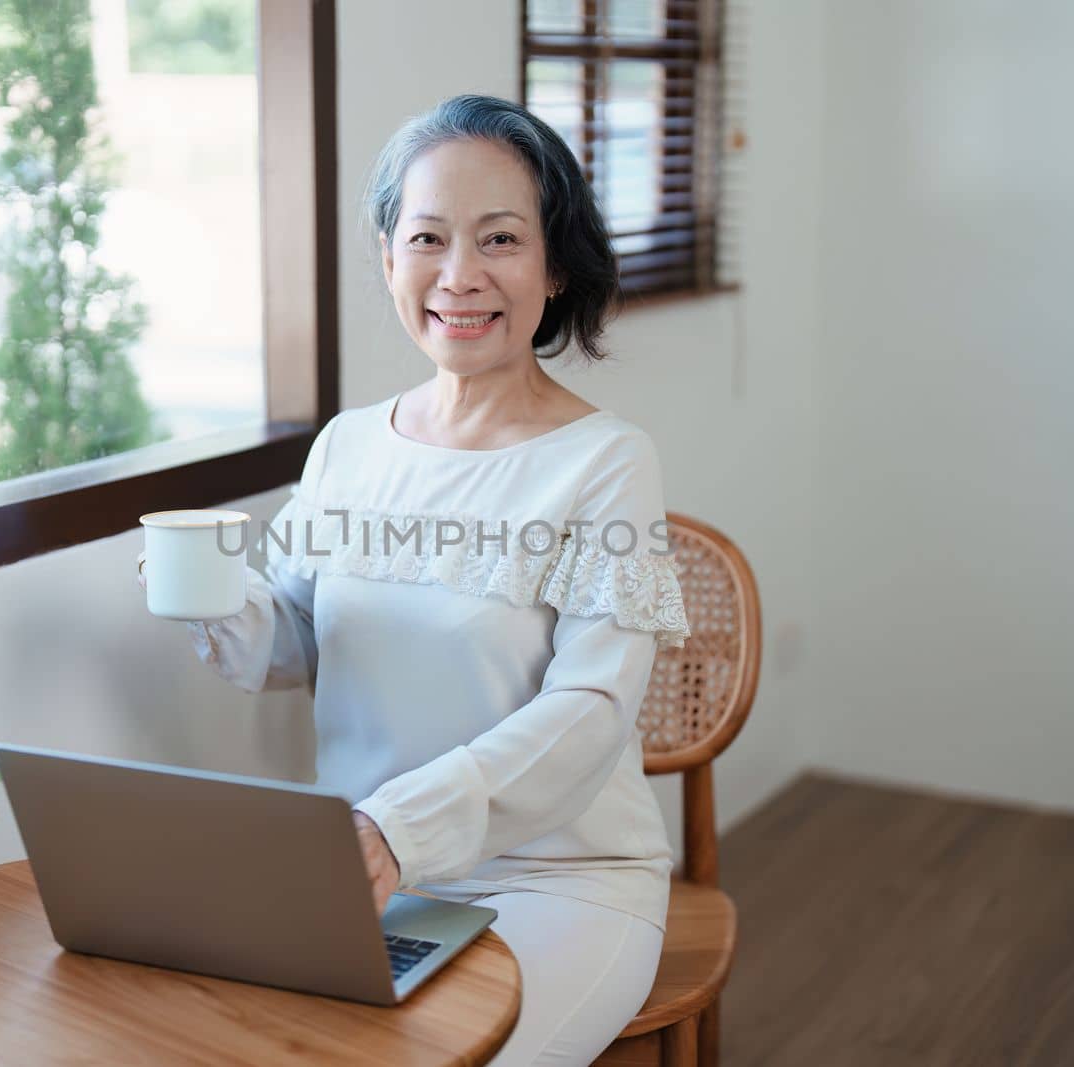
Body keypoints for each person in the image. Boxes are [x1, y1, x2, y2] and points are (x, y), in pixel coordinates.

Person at [145, 94, 690, 1065]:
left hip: (558, 878)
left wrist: (400, 825)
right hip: (360, 872)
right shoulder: (348, 445)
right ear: (388, 258)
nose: (460, 275)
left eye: (500, 239)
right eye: (428, 237)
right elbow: (303, 647)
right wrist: (219, 596)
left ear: (555, 262)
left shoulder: (605, 460)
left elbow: (592, 709)